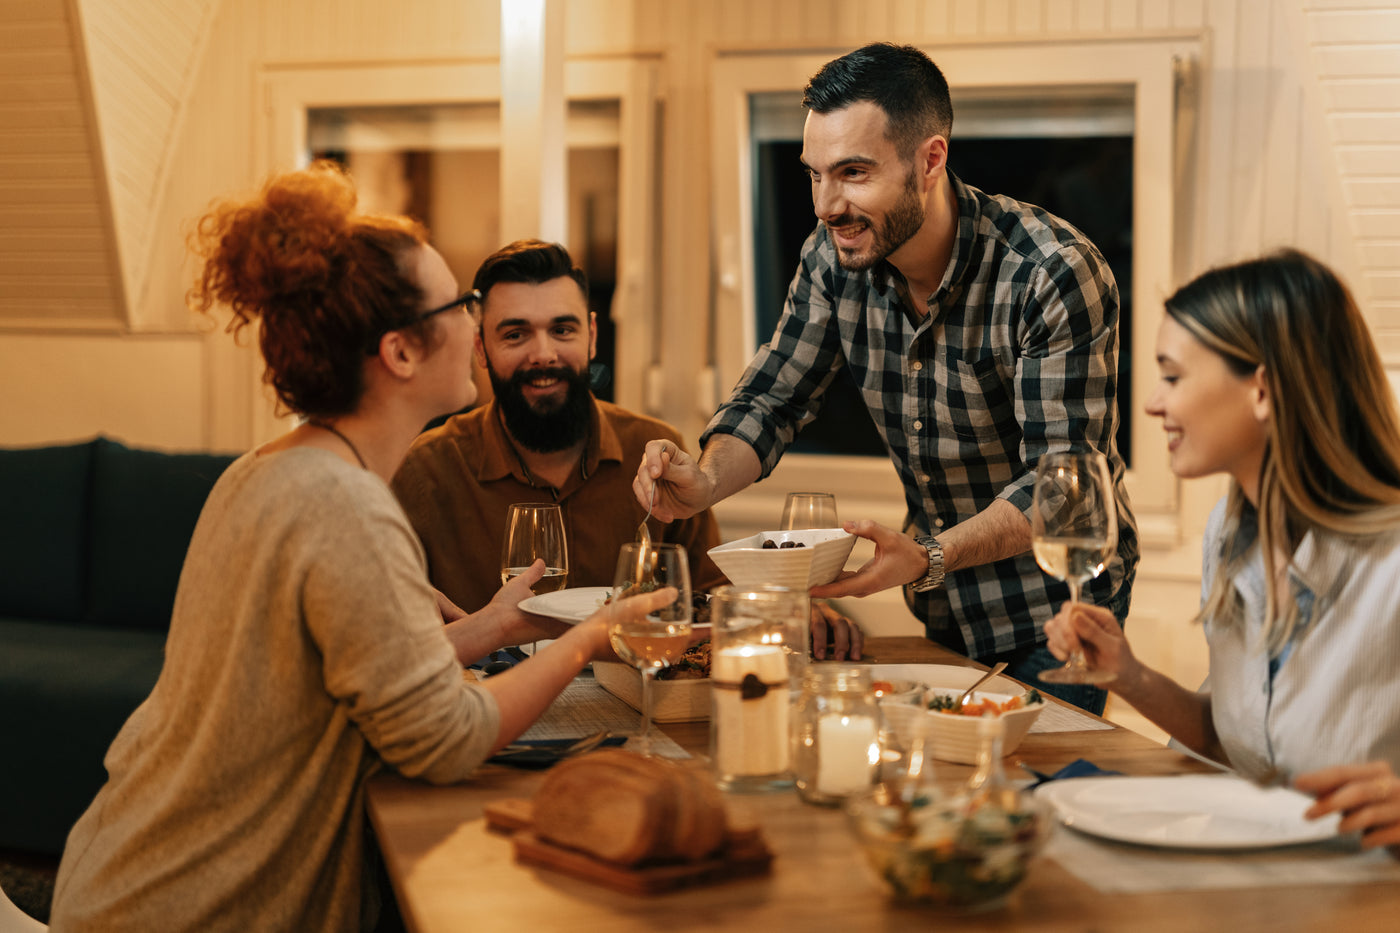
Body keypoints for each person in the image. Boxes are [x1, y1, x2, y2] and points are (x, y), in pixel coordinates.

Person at [49, 164, 675, 932]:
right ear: (401, 353)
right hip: (193, 902)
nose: (479, 331)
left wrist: (497, 626)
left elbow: (348, 673)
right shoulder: (344, 504)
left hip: (127, 871)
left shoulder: (273, 468)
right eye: (462, 307)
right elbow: (448, 739)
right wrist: (586, 638)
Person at [635, 42, 1136, 710]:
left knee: (1026, 800)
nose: (825, 204)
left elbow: (1065, 487)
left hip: (1057, 608)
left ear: (930, 160)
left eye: (852, 173)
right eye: (814, 174)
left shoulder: (1049, 272)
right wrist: (703, 481)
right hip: (946, 607)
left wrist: (928, 554)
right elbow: (772, 398)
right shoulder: (833, 257)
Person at [1046, 249, 1400, 852]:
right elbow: (1235, 741)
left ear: (1261, 388)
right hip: (1253, 882)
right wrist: (1127, 675)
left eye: (1173, 376)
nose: (1154, 403)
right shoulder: (1229, 535)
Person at [392, 240, 863, 659]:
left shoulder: (653, 453)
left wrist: (793, 607)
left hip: (631, 708)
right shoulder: (425, 470)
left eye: (563, 330)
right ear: (480, 348)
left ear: (592, 335)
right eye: (515, 334)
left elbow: (709, 598)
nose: (543, 354)